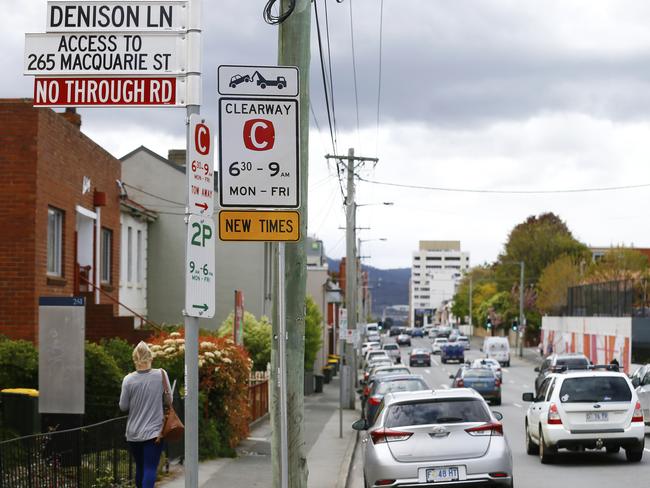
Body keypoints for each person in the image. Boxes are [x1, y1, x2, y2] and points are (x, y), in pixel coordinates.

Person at [119, 341, 172, 488]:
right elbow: (169, 401)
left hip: (133, 433)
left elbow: (123, 406)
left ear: (134, 359)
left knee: (141, 468)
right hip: (154, 433)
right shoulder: (161, 375)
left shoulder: (128, 379)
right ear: (150, 357)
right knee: (150, 468)